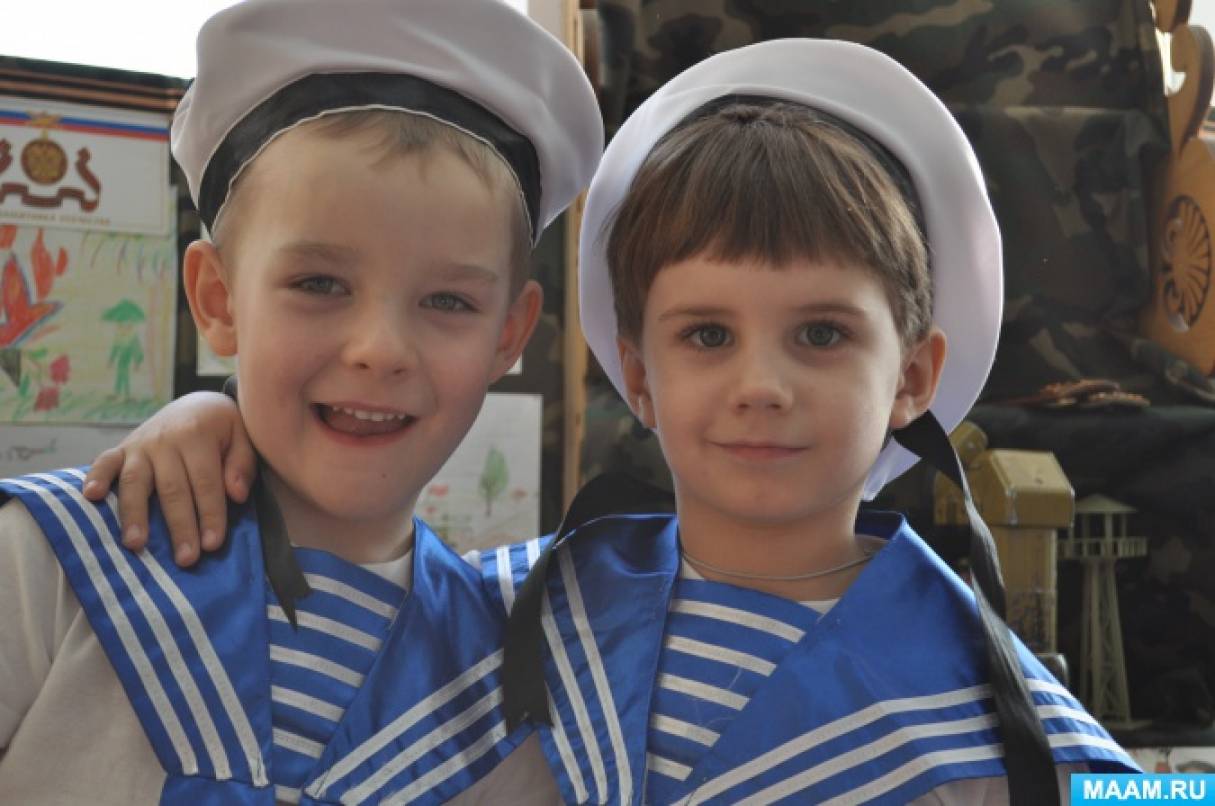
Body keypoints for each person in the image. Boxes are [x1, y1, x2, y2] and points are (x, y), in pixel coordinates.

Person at [75, 39, 1140, 806]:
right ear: (636, 372)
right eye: (706, 334)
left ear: (912, 377)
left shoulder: (1002, 716)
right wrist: (210, 418)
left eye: (821, 334)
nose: (760, 385)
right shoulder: (525, 609)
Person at [0, 0, 600, 803]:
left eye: (448, 301)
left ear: (509, 335)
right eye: (319, 284)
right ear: (217, 299)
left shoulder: (510, 688)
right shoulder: (51, 563)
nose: (379, 349)